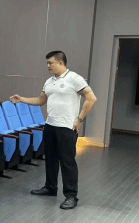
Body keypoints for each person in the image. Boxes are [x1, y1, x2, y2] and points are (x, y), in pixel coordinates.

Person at [10, 51, 97, 210]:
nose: (48, 66)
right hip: (50, 125)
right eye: (47, 63)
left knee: (67, 161)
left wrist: (79, 119)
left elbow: (91, 98)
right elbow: (40, 100)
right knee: (50, 159)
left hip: (67, 127)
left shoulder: (74, 78)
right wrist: (21, 99)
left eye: (50, 63)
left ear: (61, 62)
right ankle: (50, 187)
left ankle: (71, 196)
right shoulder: (49, 81)